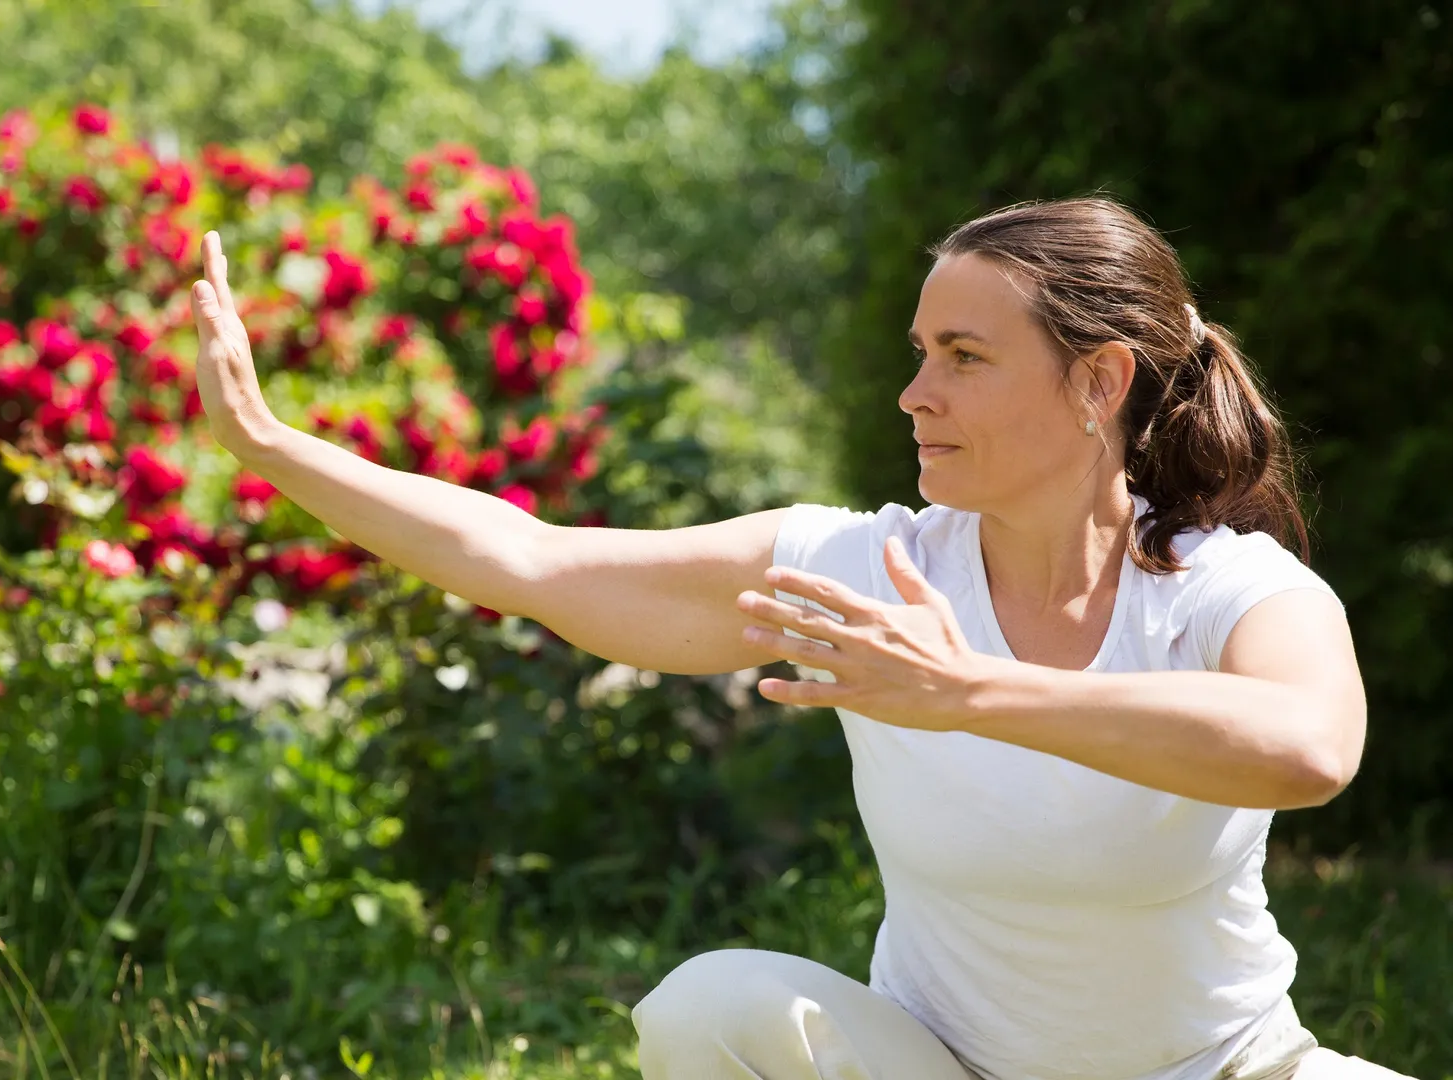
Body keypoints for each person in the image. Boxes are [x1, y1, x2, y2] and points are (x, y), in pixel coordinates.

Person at [186, 197, 1416, 1080]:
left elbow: (1303, 749)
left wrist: (968, 690)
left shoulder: (1225, 588)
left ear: (1098, 384)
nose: (913, 393)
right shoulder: (854, 569)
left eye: (965, 357)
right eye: (918, 354)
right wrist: (272, 448)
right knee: (706, 1008)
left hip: (1230, 1067)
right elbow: (536, 561)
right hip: (938, 1068)